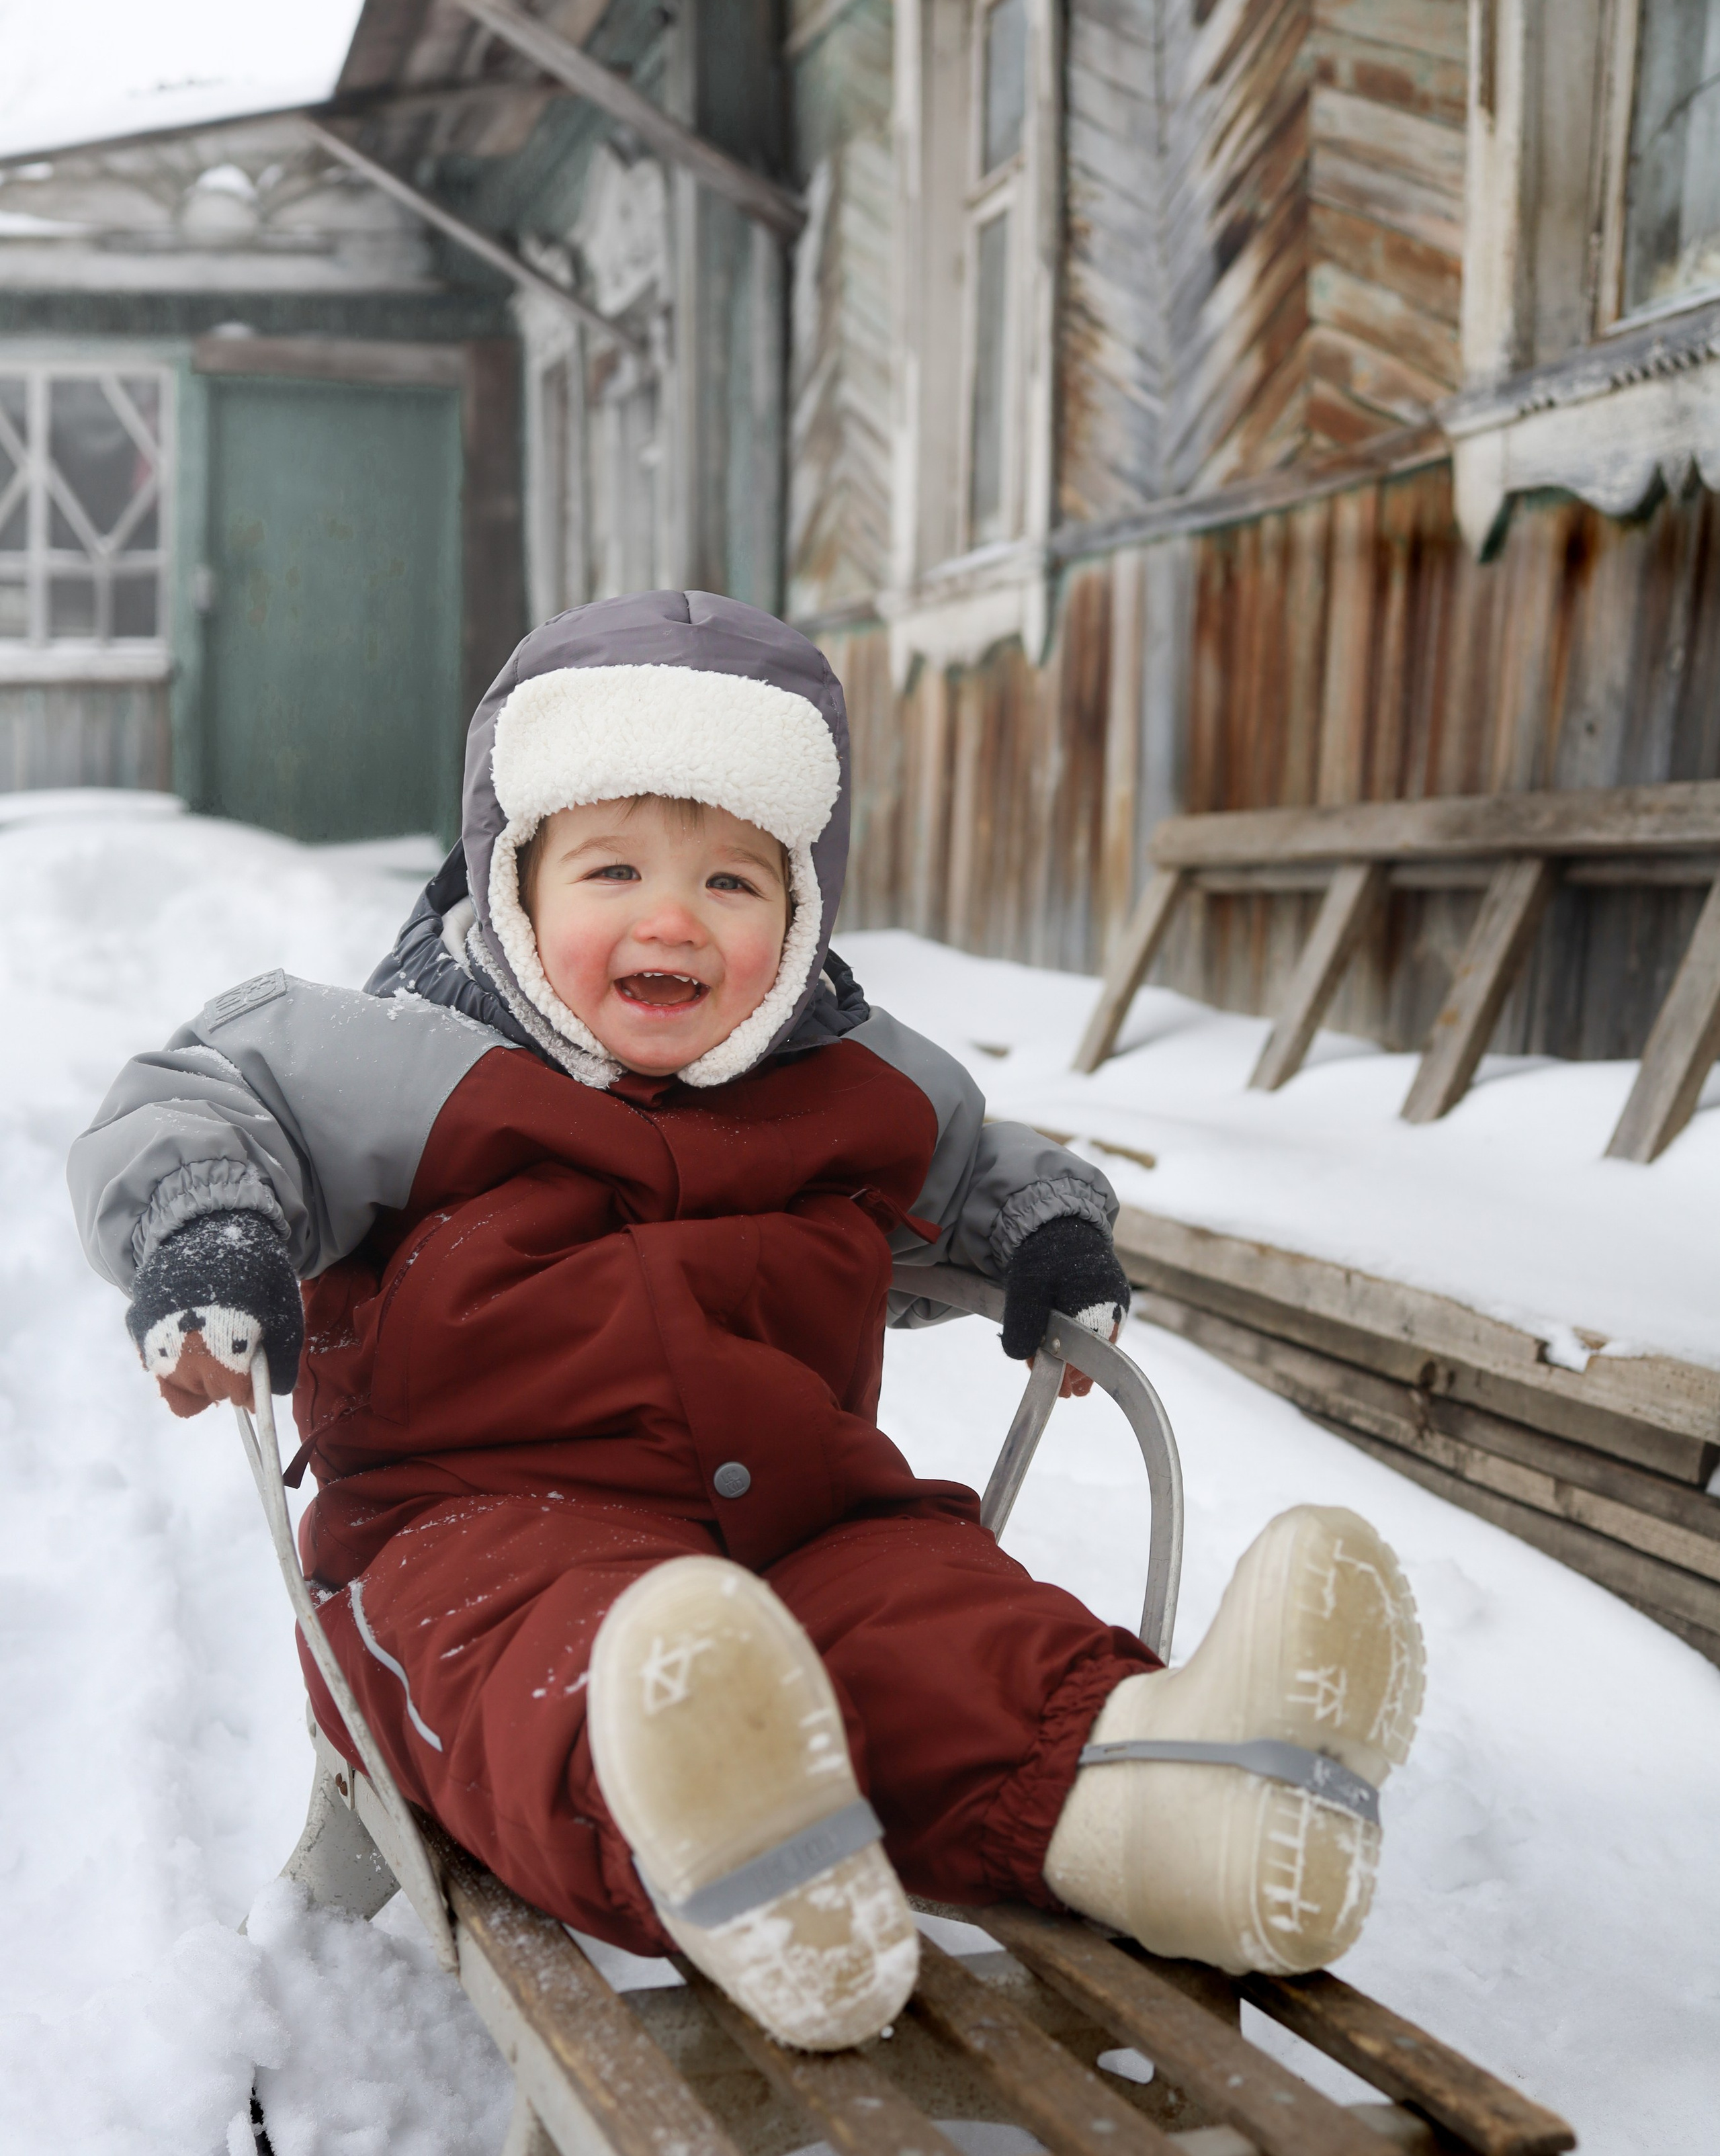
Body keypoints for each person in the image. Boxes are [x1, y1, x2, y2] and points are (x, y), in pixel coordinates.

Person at [69, 591, 1423, 2053]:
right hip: (476, 1526)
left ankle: (1184, 1795)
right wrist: (210, 1226)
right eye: (611, 869)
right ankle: (729, 1846)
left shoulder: (850, 1081)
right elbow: (201, 1101)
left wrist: (1045, 1233)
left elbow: (978, 1164)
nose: (672, 920)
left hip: (807, 1527)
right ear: (510, 883)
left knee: (947, 1627)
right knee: (557, 1656)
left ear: (798, 913)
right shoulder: (398, 1057)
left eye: (733, 881)